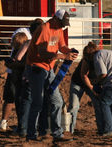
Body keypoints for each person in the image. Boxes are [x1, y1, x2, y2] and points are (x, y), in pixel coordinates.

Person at [26, 9, 78, 141]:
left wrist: (70, 51)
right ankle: (31, 134)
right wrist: (63, 56)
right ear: (54, 18)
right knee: (37, 102)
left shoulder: (58, 29)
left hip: (48, 69)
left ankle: (57, 134)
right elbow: (42, 52)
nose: (63, 26)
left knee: (57, 101)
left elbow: (62, 46)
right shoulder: (45, 29)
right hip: (36, 67)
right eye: (62, 23)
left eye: (64, 23)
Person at [14, 18, 44, 137]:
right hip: (43, 74)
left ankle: (23, 128)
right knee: (41, 102)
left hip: (29, 74)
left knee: (27, 101)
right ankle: (41, 128)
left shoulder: (28, 43)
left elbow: (18, 58)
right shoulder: (45, 43)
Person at [0, 31, 29, 131]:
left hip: (19, 79)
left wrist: (11, 64)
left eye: (16, 43)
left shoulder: (23, 51)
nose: (14, 45)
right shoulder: (17, 50)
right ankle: (16, 124)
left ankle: (21, 125)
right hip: (14, 78)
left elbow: (22, 64)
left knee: (19, 102)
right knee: (13, 100)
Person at [67, 49, 103, 135]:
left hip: (92, 83)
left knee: (98, 105)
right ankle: (69, 131)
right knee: (74, 106)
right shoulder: (86, 60)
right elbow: (84, 76)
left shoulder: (101, 60)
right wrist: (92, 89)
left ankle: (102, 130)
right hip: (78, 82)